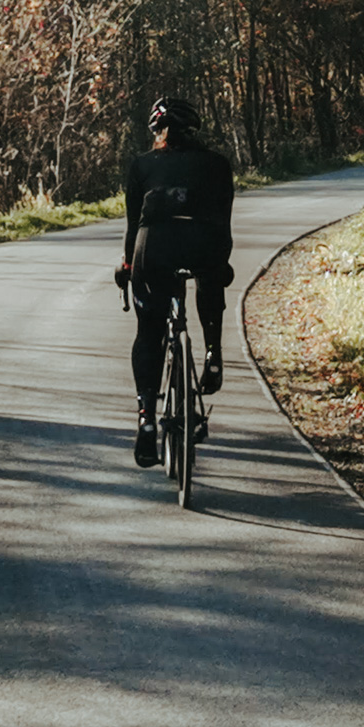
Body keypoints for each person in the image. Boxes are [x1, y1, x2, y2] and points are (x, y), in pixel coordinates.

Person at [113, 98, 236, 467]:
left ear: (157, 132)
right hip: (204, 245)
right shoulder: (217, 164)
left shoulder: (142, 165)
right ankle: (213, 354)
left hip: (154, 250)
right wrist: (221, 265)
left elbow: (134, 226)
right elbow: (223, 221)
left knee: (148, 331)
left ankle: (147, 421)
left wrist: (127, 265)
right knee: (210, 279)